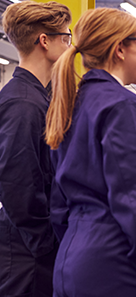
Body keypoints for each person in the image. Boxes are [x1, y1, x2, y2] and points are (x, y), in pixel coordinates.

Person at [44, 8, 136, 296]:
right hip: (117, 267)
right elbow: (135, 202)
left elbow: (58, 205)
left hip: (70, 262)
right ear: (119, 49)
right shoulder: (123, 105)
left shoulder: (68, 104)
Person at [0, 2, 71, 296]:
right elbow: (18, 185)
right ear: (45, 41)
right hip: (29, 253)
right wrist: (46, 244)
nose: (70, 47)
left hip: (34, 245)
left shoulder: (39, 97)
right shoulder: (23, 104)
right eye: (66, 38)